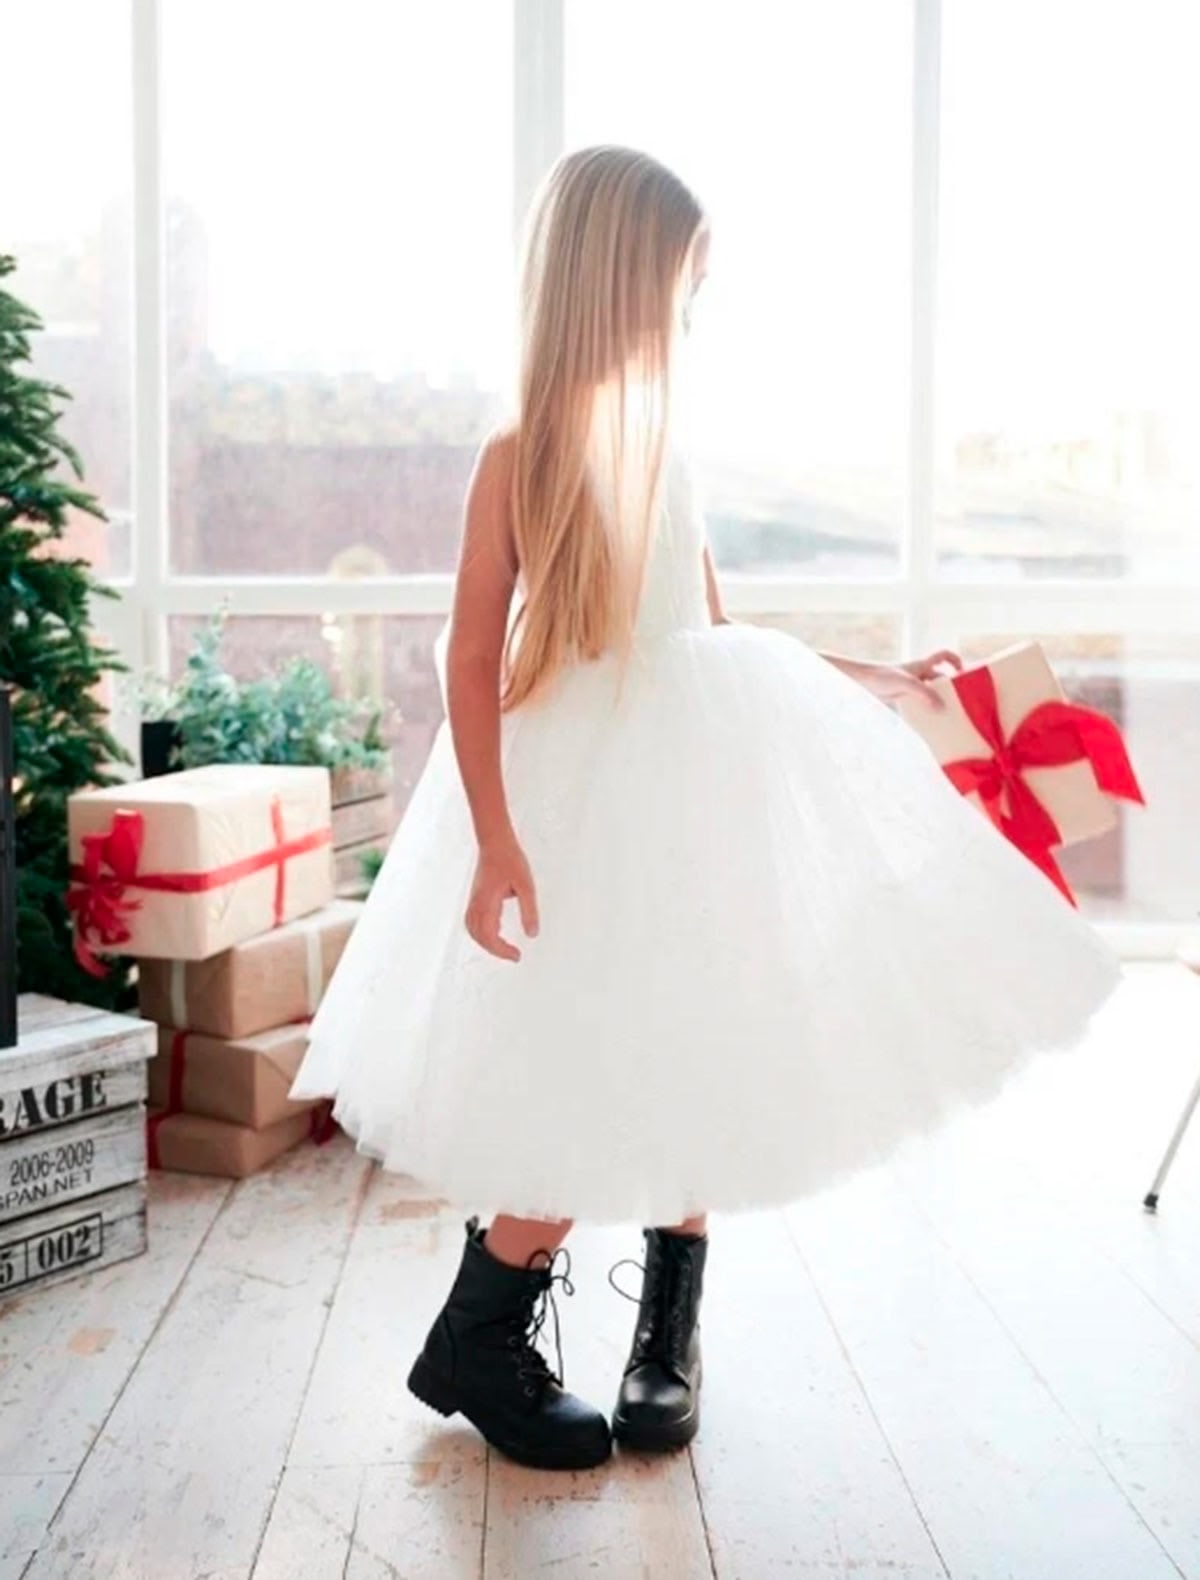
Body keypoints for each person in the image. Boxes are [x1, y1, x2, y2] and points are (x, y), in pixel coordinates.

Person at [288, 145, 1122, 1472]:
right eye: (682, 285)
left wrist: (880, 676)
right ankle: (475, 1334)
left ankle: (664, 1339)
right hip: (584, 805)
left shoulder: (664, 452)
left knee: (697, 1039)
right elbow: (467, 657)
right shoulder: (520, 457)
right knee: (593, 1060)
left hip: (689, 792)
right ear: (619, 281)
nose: (689, 312)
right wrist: (495, 839)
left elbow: (718, 633)